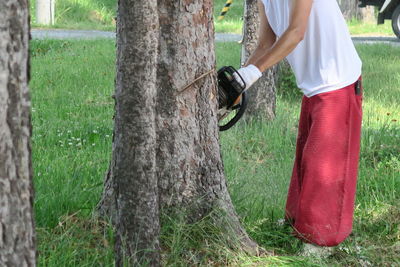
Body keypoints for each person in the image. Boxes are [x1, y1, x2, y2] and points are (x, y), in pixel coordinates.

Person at [233, 0, 363, 255]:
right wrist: (240, 81)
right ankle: (300, 226)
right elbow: (265, 43)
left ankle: (321, 240)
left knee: (324, 166)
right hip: (312, 85)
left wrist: (254, 72)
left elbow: (296, 32)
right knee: (307, 158)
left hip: (337, 81)